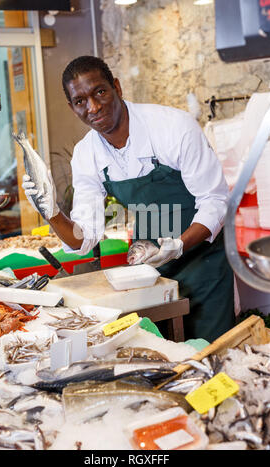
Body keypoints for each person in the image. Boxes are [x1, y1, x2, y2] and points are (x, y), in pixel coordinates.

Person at [22, 55, 235, 343]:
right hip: (149, 272)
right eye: (80, 101)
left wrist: (179, 245)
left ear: (117, 88)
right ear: (72, 108)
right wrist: (50, 210)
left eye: (100, 92)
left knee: (211, 354)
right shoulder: (87, 155)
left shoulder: (173, 128)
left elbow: (216, 200)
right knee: (160, 356)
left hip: (203, 264)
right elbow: (84, 238)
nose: (93, 107)